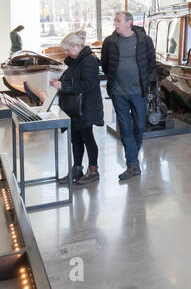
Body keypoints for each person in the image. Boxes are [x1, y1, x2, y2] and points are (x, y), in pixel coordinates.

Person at [100, 11, 155, 181]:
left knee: (139, 126)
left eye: (118, 21)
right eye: (115, 21)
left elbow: (151, 63)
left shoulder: (144, 40)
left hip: (138, 91)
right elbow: (105, 64)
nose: (115, 24)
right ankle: (132, 164)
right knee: (125, 128)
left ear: (129, 23)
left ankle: (132, 156)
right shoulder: (110, 42)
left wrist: (146, 83)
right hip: (118, 92)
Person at [49, 32, 104, 185]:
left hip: (85, 107)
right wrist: (58, 82)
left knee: (87, 139)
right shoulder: (75, 61)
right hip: (74, 109)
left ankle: (93, 170)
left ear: (76, 46)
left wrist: (63, 86)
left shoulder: (88, 61)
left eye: (68, 50)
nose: (67, 53)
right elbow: (74, 78)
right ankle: (77, 169)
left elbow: (88, 84)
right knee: (75, 140)